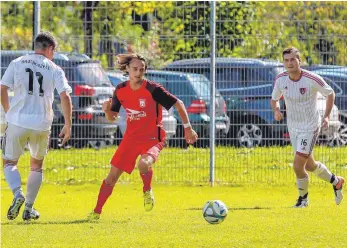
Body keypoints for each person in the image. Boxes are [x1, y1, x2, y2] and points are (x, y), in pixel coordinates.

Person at [88, 53, 198, 220]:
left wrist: (188, 128)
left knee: (143, 164)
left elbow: (179, 104)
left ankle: (147, 190)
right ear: (127, 69)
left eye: (142, 69)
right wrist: (106, 110)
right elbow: (112, 117)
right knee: (111, 177)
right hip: (131, 138)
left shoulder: (153, 89)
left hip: (153, 137)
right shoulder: (120, 90)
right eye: (135, 69)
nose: (138, 72)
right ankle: (96, 212)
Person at [1, 31, 72, 221]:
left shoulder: (18, 62)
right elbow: (65, 96)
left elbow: (3, 88)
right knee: (36, 166)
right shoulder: (54, 68)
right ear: (49, 49)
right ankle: (29, 208)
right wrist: (68, 124)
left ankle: (18, 194)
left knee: (9, 162)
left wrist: (9, 113)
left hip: (17, 121)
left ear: (36, 46)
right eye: (54, 51)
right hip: (42, 123)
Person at [271, 47, 344, 208]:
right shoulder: (281, 79)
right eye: (286, 60)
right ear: (283, 62)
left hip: (310, 126)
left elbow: (330, 93)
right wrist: (276, 110)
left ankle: (303, 200)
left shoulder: (311, 78)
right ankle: (336, 181)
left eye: (293, 59)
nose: (289, 63)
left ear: (299, 61)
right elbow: (274, 99)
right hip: (293, 127)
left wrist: (326, 116)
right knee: (309, 165)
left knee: (298, 165)